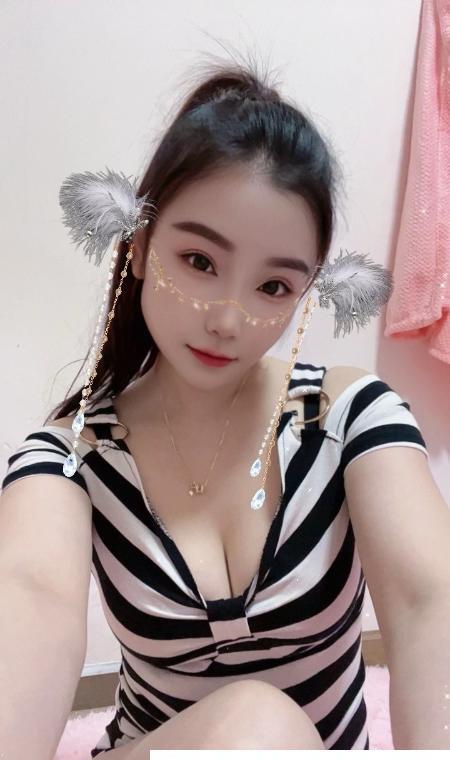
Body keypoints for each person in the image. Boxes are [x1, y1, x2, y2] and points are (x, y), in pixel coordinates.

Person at [0, 54, 430, 758]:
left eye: (273, 287)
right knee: (258, 729)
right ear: (141, 247)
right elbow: (30, 595)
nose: (229, 321)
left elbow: (429, 600)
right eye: (200, 262)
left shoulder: (348, 419)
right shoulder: (73, 457)